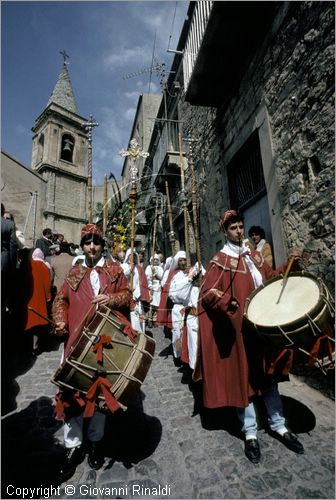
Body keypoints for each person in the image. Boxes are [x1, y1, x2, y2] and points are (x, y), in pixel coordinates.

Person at [197, 209, 304, 464]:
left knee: (268, 377)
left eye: (240, 226)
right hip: (239, 332)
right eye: (233, 227)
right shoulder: (220, 261)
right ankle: (250, 433)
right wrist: (231, 305)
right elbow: (207, 292)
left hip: (261, 329)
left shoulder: (254, 256)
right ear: (225, 231)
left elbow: (269, 279)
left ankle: (279, 425)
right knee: (242, 381)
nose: (238, 230)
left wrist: (289, 266)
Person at [52, 224, 132, 476]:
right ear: (82, 245)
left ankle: (96, 442)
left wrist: (111, 299)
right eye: (87, 242)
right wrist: (60, 320)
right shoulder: (74, 273)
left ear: (102, 245)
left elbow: (128, 295)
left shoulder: (114, 270)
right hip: (75, 341)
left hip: (103, 345)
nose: (92, 247)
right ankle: (73, 446)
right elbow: (60, 301)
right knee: (71, 393)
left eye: (96, 242)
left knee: (98, 394)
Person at [168, 251, 197, 364]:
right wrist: (187, 280)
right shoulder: (176, 276)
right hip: (178, 308)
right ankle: (178, 355)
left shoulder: (192, 271)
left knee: (189, 335)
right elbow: (175, 294)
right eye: (180, 260)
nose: (183, 262)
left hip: (190, 307)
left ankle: (187, 356)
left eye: (185, 260)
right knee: (178, 333)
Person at [23, 248, 52, 355]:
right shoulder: (43, 266)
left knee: (28, 321)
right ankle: (35, 346)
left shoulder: (27, 265)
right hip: (38, 299)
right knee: (37, 324)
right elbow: (47, 284)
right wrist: (48, 297)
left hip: (27, 298)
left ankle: (26, 345)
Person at [121, 248, 150, 333]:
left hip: (136, 297)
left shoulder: (139, 268)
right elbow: (120, 278)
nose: (132, 258)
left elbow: (142, 283)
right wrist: (129, 269)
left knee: (138, 319)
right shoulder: (123, 266)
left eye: (134, 256)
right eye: (130, 256)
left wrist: (135, 293)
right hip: (125, 296)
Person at [1, 204, 18, 313]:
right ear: (2, 212)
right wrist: (12, 266)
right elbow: (13, 247)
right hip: (3, 265)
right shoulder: (9, 225)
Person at [145, 254, 164, 328]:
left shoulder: (160, 268)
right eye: (154, 260)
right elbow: (147, 278)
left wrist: (156, 273)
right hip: (151, 287)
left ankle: (155, 319)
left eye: (157, 259)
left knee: (157, 305)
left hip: (158, 287)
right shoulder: (149, 267)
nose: (155, 261)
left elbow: (162, 277)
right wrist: (150, 287)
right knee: (150, 305)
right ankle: (149, 319)